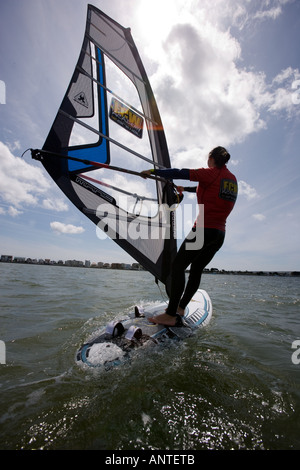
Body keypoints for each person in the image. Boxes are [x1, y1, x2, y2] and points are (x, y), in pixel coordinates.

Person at [141, 146, 238, 326]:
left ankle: (170, 314)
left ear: (211, 158)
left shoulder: (210, 173)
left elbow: (180, 172)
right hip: (219, 234)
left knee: (177, 267)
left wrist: (154, 171)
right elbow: (205, 188)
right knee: (196, 270)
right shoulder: (231, 179)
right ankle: (181, 307)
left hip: (203, 230)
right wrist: (185, 189)